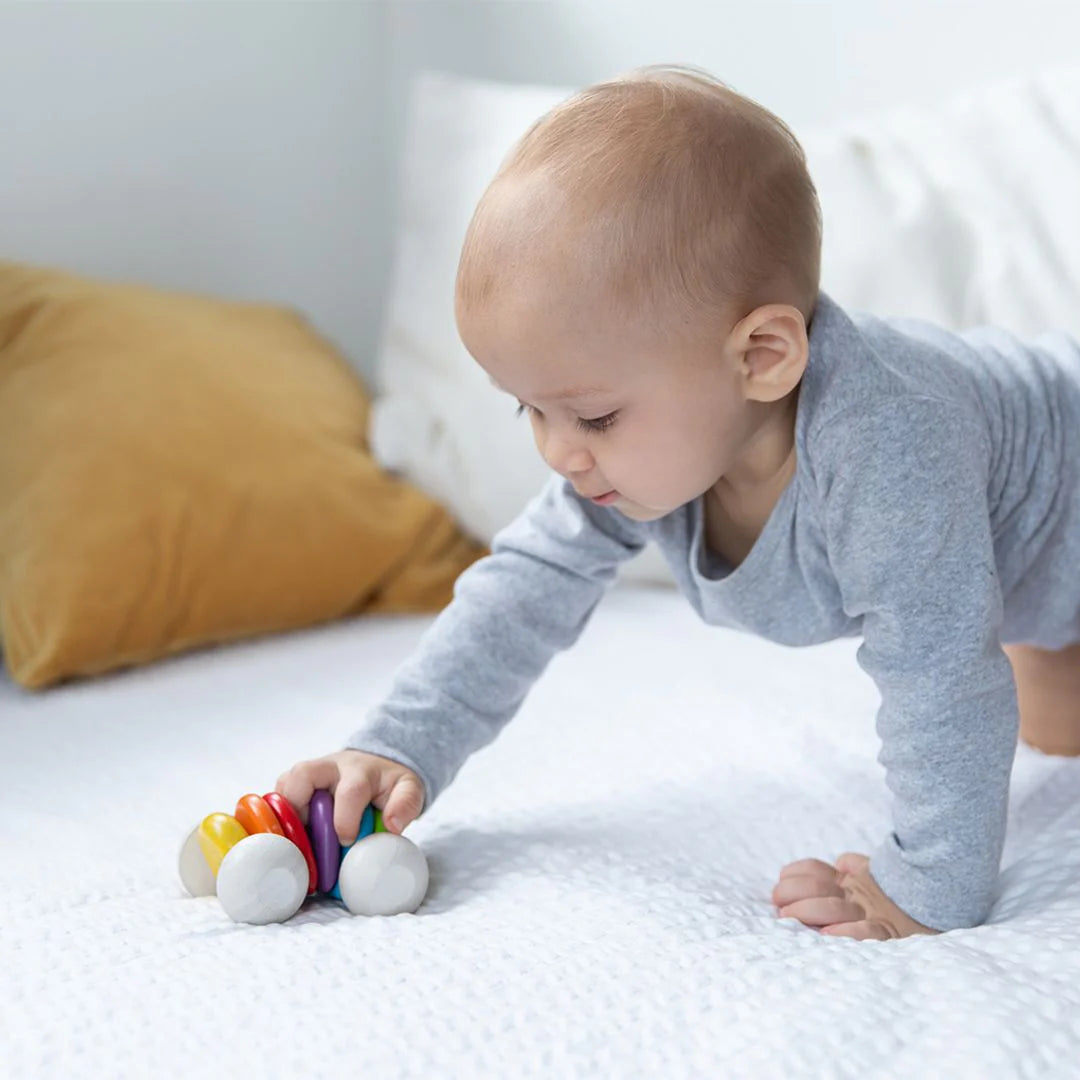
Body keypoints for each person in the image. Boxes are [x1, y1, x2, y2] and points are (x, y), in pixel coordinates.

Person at [276, 65, 1080, 938]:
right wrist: (398, 746)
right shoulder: (635, 465)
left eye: (593, 415)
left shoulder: (889, 444)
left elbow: (941, 675)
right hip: (1040, 578)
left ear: (763, 357)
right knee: (1053, 730)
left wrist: (926, 887)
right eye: (528, 410)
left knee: (987, 695)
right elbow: (522, 593)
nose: (558, 452)